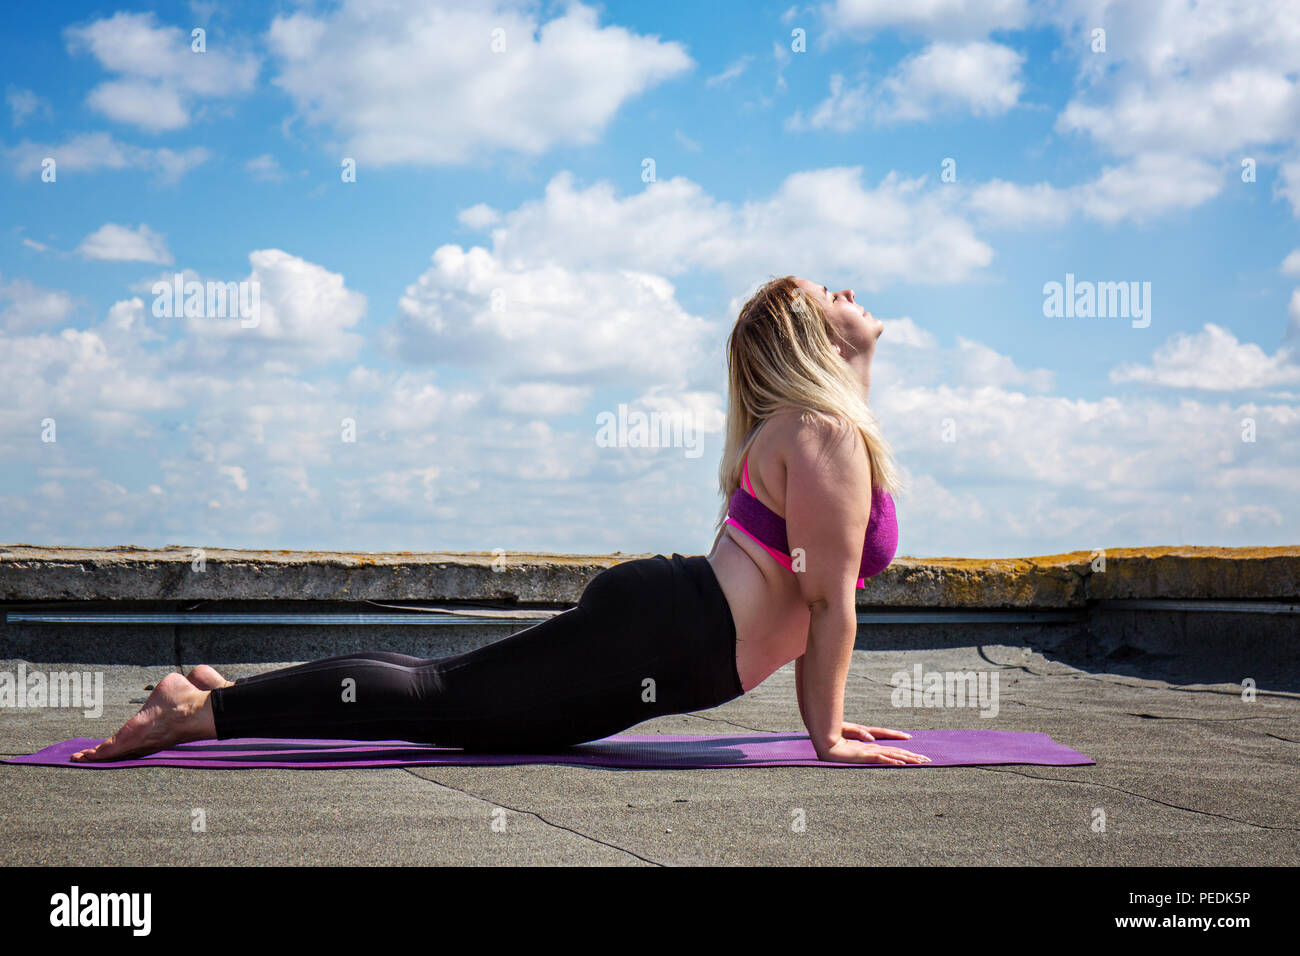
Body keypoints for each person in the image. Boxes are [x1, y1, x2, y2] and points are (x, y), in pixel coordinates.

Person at [72, 275, 929, 765]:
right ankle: (191, 715)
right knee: (441, 703)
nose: (845, 287)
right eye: (825, 292)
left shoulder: (830, 429)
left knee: (441, 687)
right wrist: (825, 737)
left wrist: (831, 718)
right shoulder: (822, 432)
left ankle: (222, 695)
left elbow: (818, 592)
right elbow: (824, 603)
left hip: (673, 636)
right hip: (670, 637)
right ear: (809, 342)